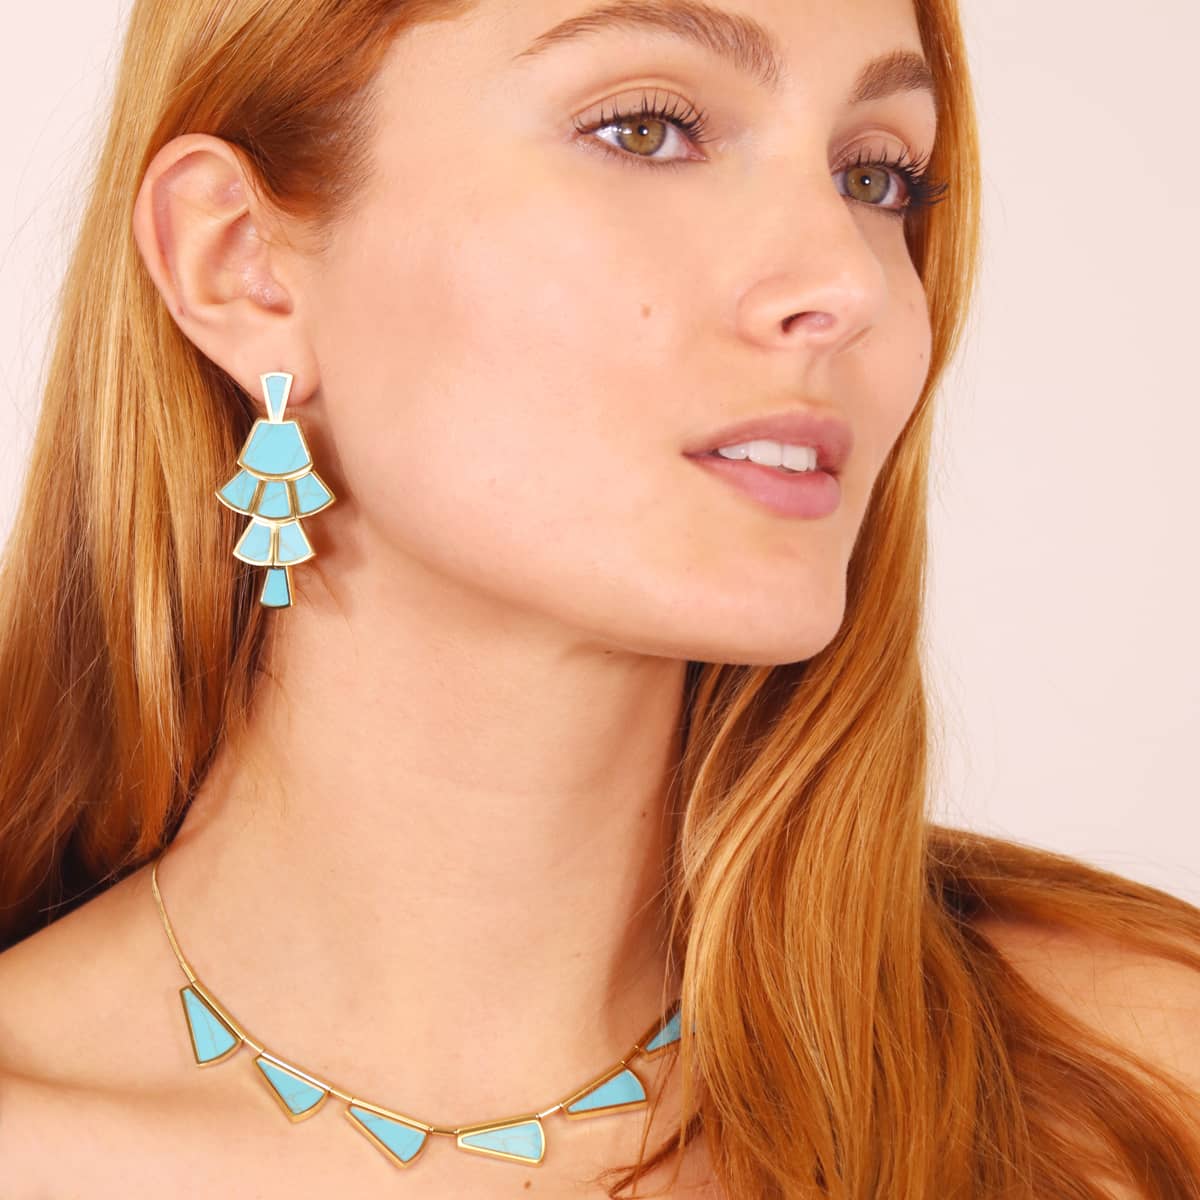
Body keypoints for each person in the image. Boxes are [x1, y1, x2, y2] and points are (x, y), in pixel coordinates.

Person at [0, 0, 1197, 1195]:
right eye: (647, 130)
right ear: (239, 263)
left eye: (874, 177)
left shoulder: (1141, 1095)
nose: (848, 282)